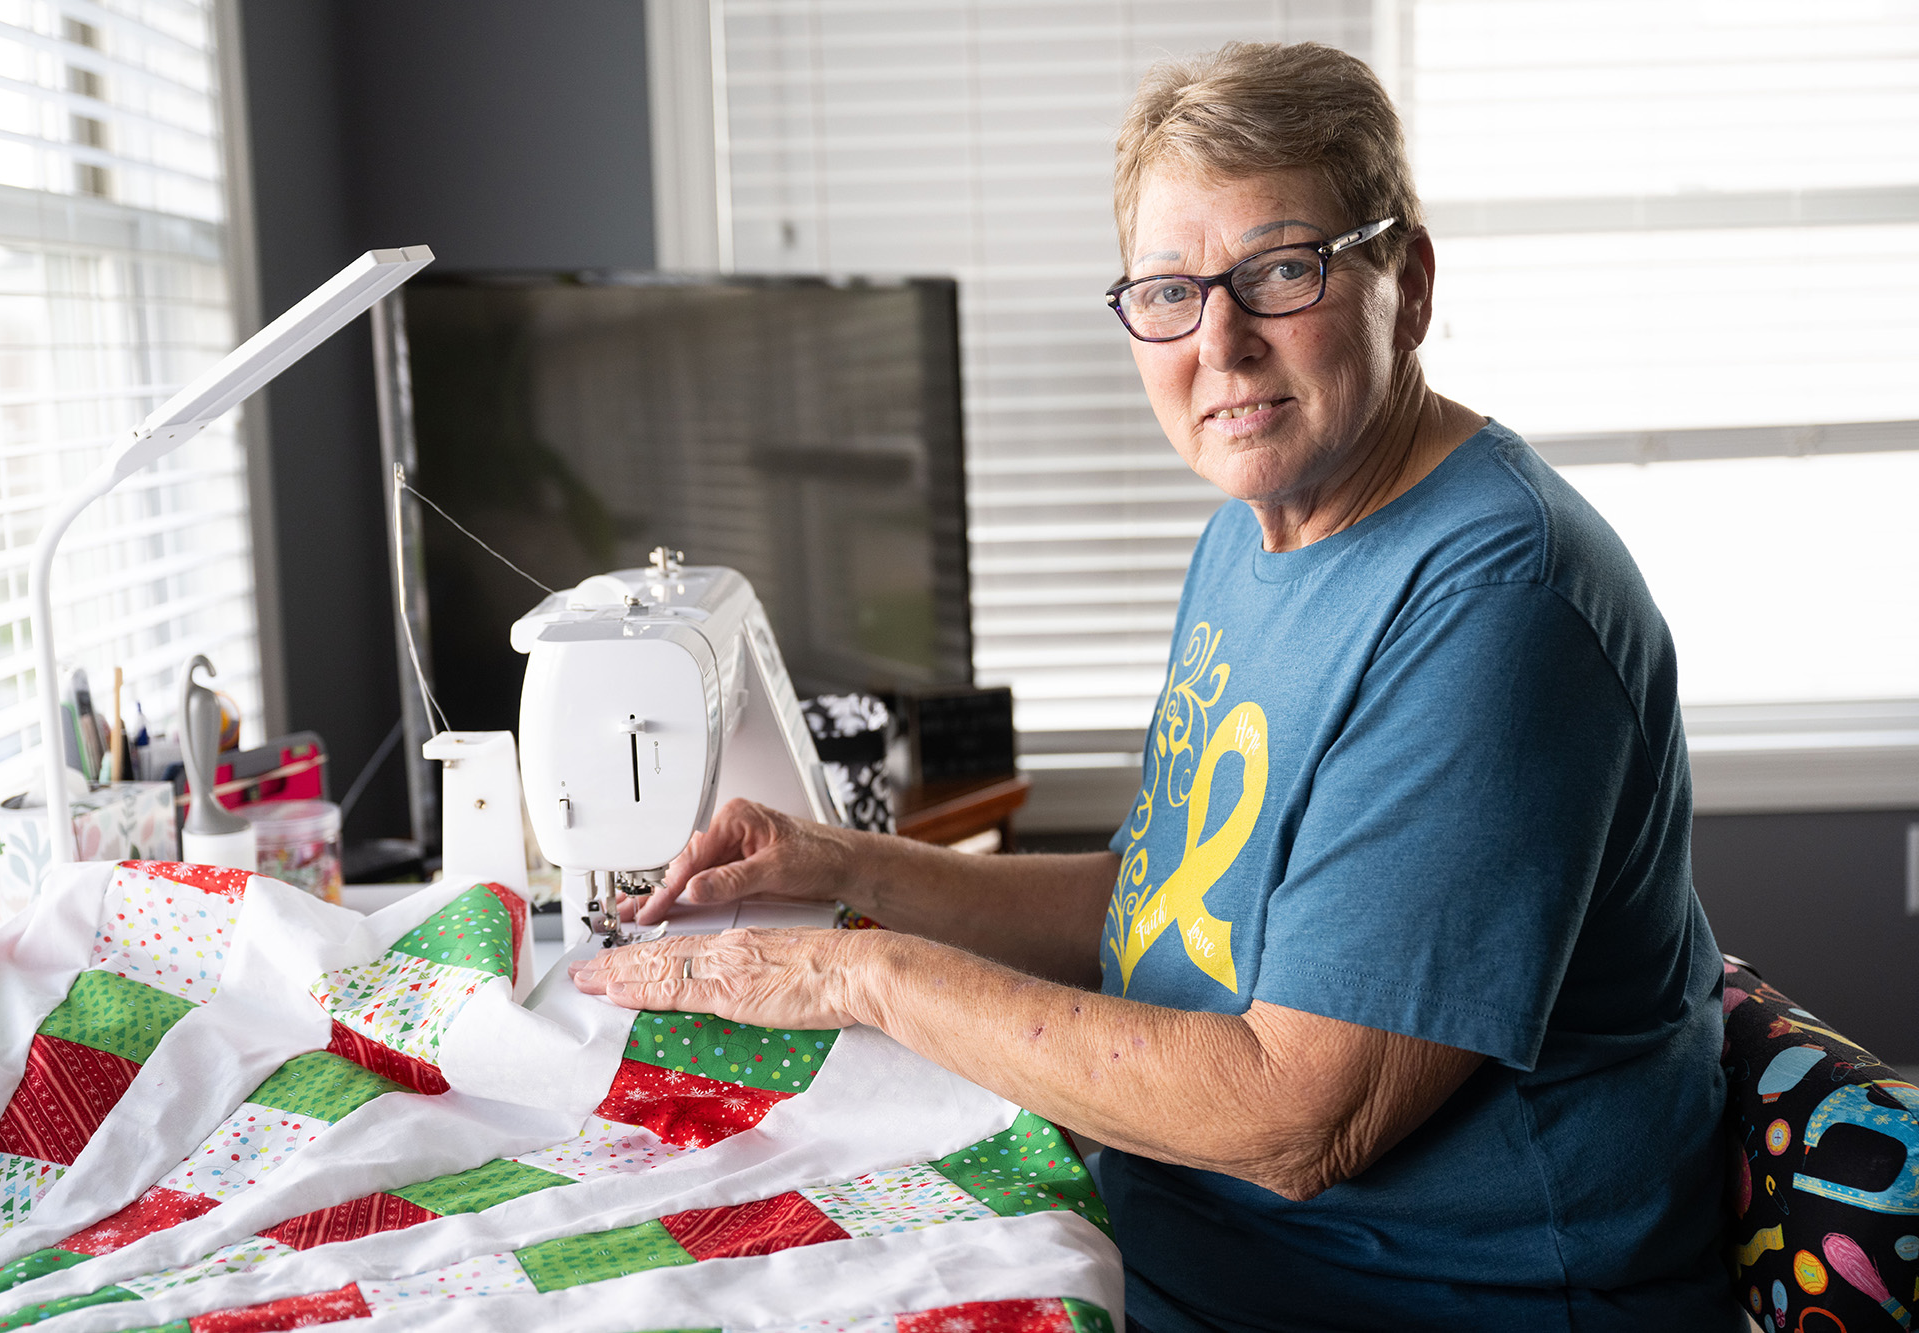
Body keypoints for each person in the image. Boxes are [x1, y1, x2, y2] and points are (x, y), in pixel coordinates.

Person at [572, 40, 1737, 1332]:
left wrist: (867, 975)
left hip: (1441, 1305)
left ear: (1404, 279)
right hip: (1173, 1248)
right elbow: (1166, 905)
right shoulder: (1260, 521)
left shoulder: (1498, 605)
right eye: (1170, 291)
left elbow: (1297, 1114)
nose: (1220, 346)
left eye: (1280, 270)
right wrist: (844, 867)